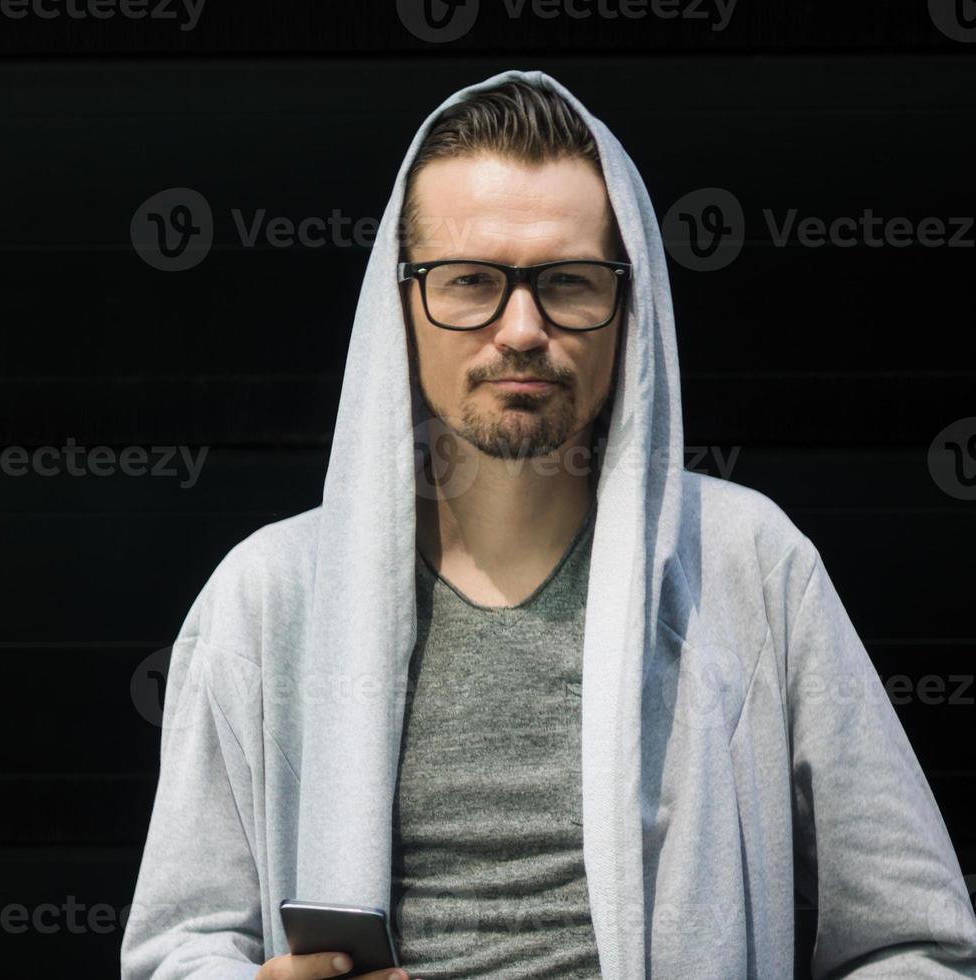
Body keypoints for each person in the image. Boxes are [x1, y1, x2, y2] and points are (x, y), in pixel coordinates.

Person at [119, 69, 976, 979]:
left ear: (629, 305)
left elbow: (915, 940)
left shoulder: (749, 565)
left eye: (567, 282)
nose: (521, 328)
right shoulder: (269, 595)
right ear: (401, 303)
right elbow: (180, 945)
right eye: (469, 281)